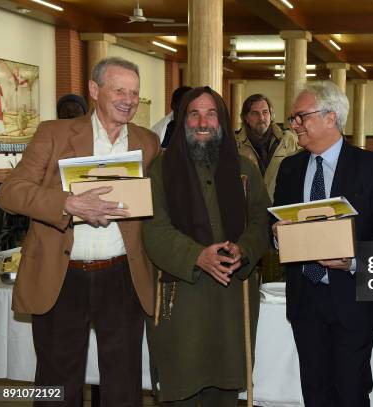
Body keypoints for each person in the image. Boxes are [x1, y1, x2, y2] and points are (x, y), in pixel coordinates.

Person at [0, 57, 160, 406]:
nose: (128, 100)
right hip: (62, 276)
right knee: (56, 385)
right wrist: (66, 203)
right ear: (94, 90)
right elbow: (9, 192)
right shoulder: (53, 134)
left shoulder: (148, 143)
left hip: (122, 277)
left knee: (123, 384)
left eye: (134, 93)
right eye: (119, 90)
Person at [272, 81, 373, 407]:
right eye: (293, 118)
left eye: (300, 117)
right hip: (306, 299)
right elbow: (273, 221)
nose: (294, 125)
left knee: (350, 392)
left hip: (355, 298)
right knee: (315, 392)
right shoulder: (290, 168)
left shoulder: (371, 167)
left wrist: (353, 259)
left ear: (330, 117)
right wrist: (275, 234)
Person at [142, 86, 270, 406]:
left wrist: (245, 249)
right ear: (183, 120)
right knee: (181, 385)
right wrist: (197, 256)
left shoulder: (245, 169)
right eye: (194, 113)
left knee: (224, 390)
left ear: (222, 121)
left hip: (232, 297)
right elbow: (153, 229)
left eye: (211, 114)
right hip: (181, 297)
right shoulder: (160, 169)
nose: (203, 122)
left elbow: (260, 221)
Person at [236, 93, 299, 201]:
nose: (261, 118)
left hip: (280, 206)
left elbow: (297, 176)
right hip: (248, 209)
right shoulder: (235, 144)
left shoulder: (288, 139)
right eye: (255, 113)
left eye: (265, 112)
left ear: (271, 115)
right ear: (246, 118)